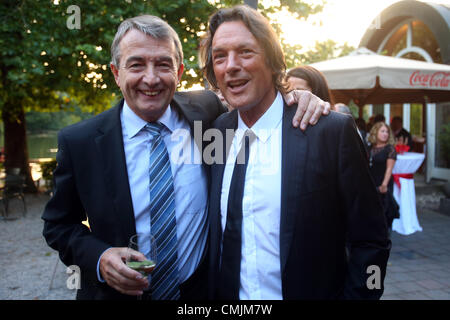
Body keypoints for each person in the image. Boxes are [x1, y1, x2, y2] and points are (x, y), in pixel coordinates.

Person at [41, 15, 329, 300]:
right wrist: (99, 257)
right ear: (117, 73)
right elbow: (58, 224)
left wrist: (299, 98)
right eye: (137, 64)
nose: (151, 79)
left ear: (179, 73)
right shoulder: (81, 142)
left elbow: (260, 100)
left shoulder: (207, 116)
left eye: (163, 64)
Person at [200, 5, 391, 300]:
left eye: (245, 52)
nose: (231, 65)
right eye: (219, 56)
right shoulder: (216, 132)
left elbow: (373, 241)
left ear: (274, 61)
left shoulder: (328, 131)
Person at [367, 122, 400, 231]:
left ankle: (384, 240)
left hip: (383, 185)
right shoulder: (370, 148)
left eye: (387, 132)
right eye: (382, 131)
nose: (385, 134)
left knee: (384, 215)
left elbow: (389, 168)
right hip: (371, 184)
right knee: (371, 213)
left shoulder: (390, 149)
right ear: (375, 132)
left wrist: (384, 185)